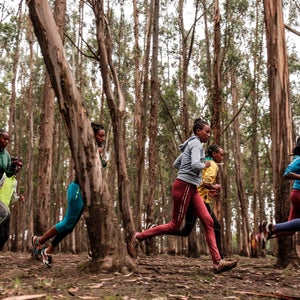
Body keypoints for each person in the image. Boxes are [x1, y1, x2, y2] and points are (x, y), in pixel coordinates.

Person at [127, 118, 237, 274]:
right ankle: (138, 237)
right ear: (198, 131)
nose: (208, 135)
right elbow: (194, 165)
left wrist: (192, 171)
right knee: (175, 225)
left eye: (209, 132)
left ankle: (217, 262)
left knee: (208, 221)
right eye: (206, 132)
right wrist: (204, 164)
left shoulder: (190, 144)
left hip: (191, 188)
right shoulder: (196, 144)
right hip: (184, 186)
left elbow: (176, 163)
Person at [32, 122, 106, 268]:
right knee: (66, 223)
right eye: (100, 135)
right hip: (77, 190)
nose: (103, 138)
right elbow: (81, 166)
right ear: (93, 135)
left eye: (104, 136)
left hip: (85, 193)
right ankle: (39, 241)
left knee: (70, 227)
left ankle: (48, 250)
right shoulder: (86, 149)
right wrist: (97, 156)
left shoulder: (96, 149)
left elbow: (102, 164)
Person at [175, 144, 226, 259]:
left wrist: (209, 192)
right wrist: (214, 187)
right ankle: (220, 258)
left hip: (193, 197)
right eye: (221, 155)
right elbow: (205, 182)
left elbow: (199, 182)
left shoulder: (204, 161)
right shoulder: (212, 164)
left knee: (185, 231)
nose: (222, 157)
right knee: (216, 226)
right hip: (199, 200)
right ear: (214, 154)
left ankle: (154, 229)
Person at [255, 137, 300, 248]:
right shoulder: (299, 159)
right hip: (298, 194)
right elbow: (287, 172)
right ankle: (271, 228)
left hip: (297, 194)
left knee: (291, 230)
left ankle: (260, 237)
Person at [0, 129, 23, 241]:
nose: (6, 141)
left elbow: (9, 173)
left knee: (6, 214)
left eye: (8, 139)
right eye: (4, 138)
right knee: (5, 213)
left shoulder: (6, 155)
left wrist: (13, 165)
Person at [0, 156, 24, 250]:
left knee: (4, 236)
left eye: (20, 166)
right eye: (16, 165)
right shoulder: (3, 175)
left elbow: (12, 197)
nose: (18, 168)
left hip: (5, 209)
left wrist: (18, 198)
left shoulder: (14, 181)